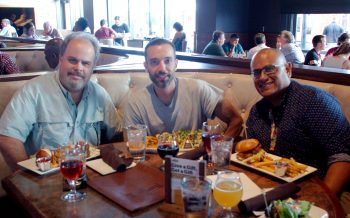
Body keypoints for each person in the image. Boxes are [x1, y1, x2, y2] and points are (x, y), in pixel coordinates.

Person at [0, 32, 118, 171]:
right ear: (61, 59)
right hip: (46, 182)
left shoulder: (100, 95)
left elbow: (115, 135)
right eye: (72, 60)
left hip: (91, 177)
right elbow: (8, 138)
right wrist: (28, 177)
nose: (78, 67)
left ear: (92, 67)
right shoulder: (33, 91)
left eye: (85, 63)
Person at [248, 48, 350, 195]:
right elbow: (253, 157)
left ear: (288, 69)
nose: (262, 77)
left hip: (319, 191)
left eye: (269, 69)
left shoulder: (314, 101)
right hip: (270, 191)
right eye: (256, 73)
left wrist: (322, 201)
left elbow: (342, 157)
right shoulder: (256, 112)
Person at [124, 38, 243, 137]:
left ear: (176, 64)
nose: (162, 68)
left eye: (167, 61)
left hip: (195, 162)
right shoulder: (135, 103)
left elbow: (236, 120)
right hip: (153, 164)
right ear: (146, 67)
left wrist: (219, 151)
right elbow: (134, 147)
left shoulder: (198, 89)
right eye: (154, 62)